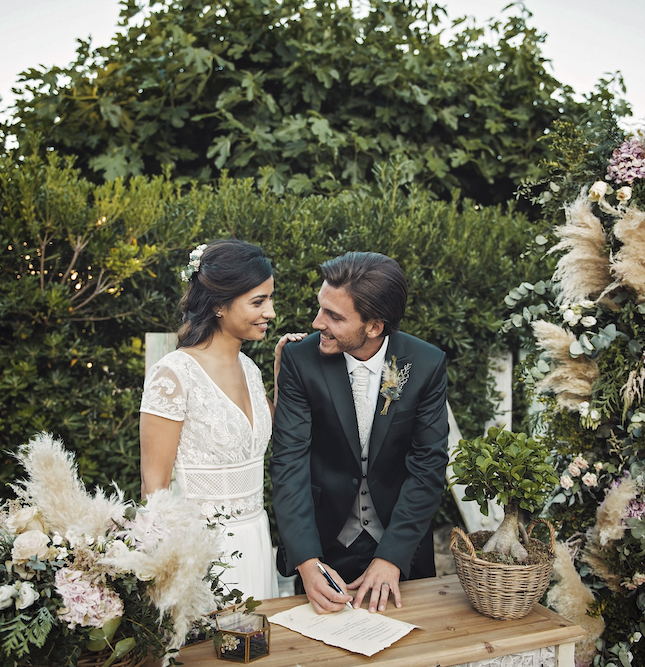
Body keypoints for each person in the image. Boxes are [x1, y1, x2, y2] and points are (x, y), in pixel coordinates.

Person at [270, 251, 449, 615]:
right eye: (321, 308)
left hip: (402, 550)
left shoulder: (426, 364)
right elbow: (289, 466)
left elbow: (428, 469)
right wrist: (307, 561)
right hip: (323, 545)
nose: (318, 322)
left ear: (374, 326)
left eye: (334, 316)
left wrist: (392, 558)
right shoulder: (299, 361)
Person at [139, 239, 279, 600]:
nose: (271, 313)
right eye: (259, 301)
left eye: (270, 299)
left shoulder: (249, 369)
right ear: (219, 305)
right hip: (205, 551)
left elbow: (261, 439)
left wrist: (281, 375)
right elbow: (154, 487)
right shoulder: (173, 374)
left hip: (256, 536)